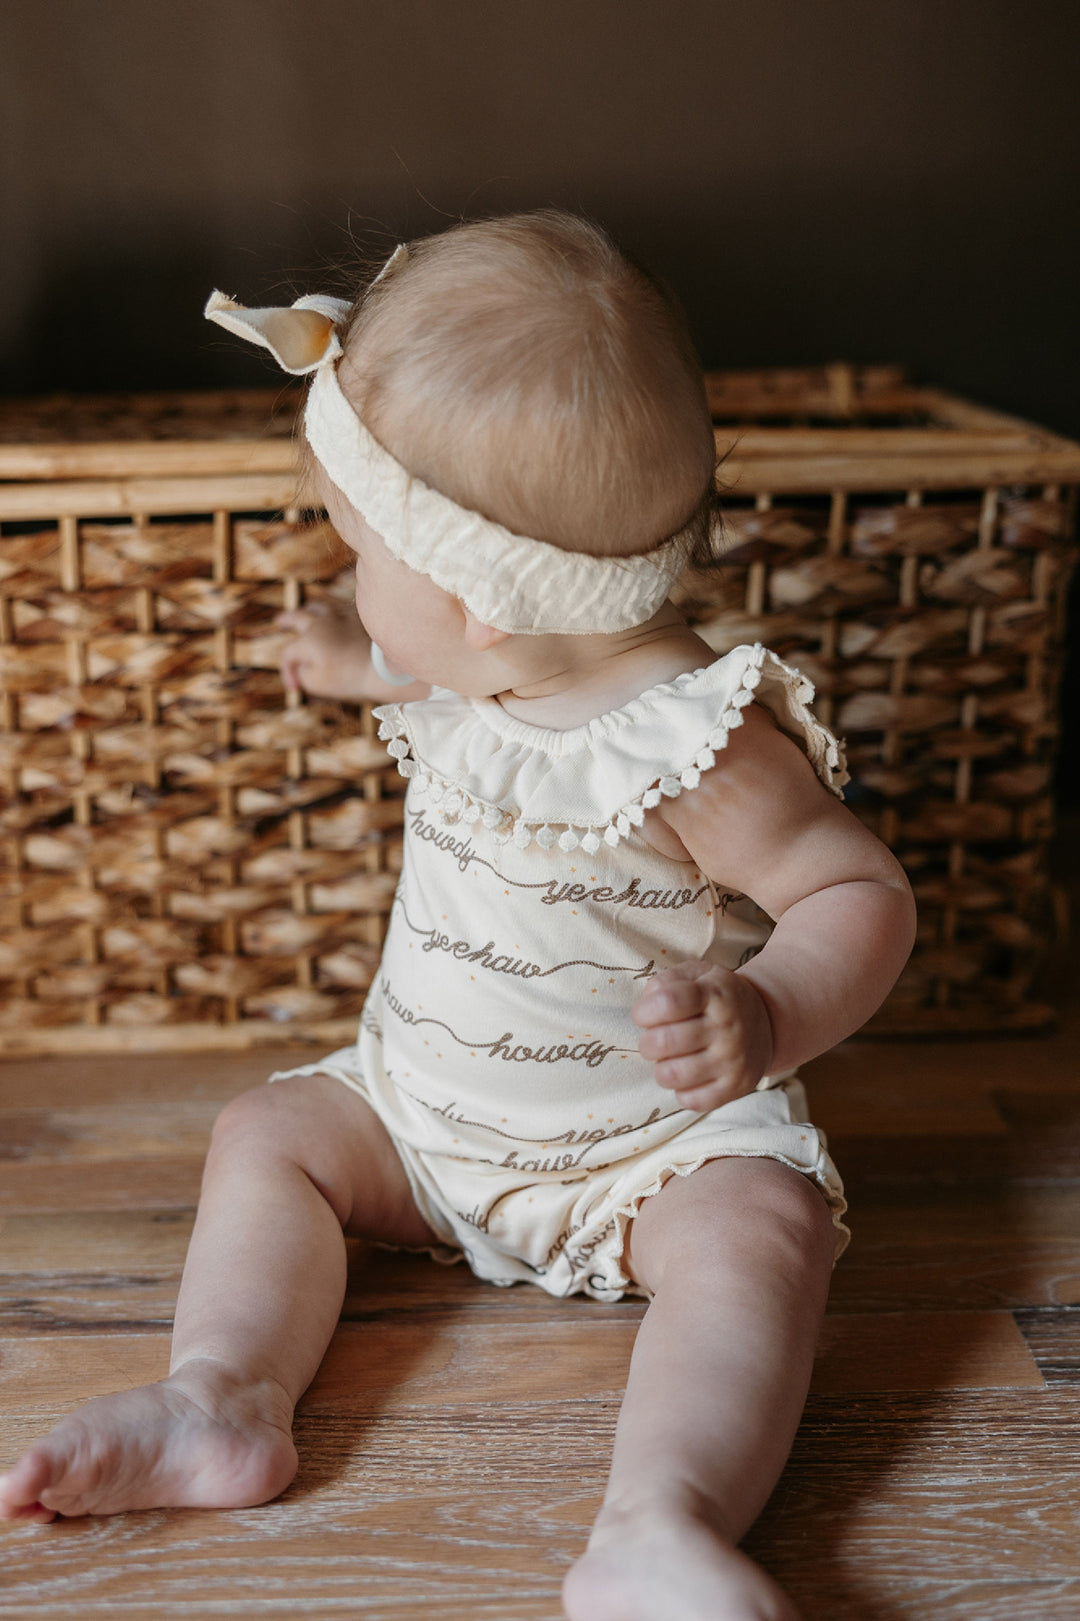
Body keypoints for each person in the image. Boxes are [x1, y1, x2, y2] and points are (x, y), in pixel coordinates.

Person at [0, 212, 915, 1621]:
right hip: (418, 1118)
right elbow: (446, 672)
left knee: (762, 1232)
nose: (350, 583)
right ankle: (223, 1396)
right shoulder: (485, 662)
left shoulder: (696, 742)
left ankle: (658, 1522)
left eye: (361, 558)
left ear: (483, 603)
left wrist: (770, 1007)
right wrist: (358, 659)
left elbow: (859, 893)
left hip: (643, 1155)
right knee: (269, 1136)